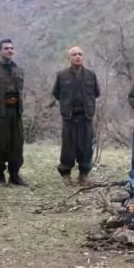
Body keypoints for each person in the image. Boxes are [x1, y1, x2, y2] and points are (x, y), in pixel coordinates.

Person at [51, 46, 100, 186]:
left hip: (86, 116)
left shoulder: (91, 75)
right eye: (74, 54)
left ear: (83, 57)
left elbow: (96, 93)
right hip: (69, 116)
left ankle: (83, 175)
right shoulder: (62, 75)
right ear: (69, 58)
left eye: (80, 54)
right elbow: (56, 93)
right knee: (68, 146)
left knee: (86, 146)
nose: (77, 57)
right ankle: (66, 174)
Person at [0, 38, 27, 186]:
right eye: (6, 48)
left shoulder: (18, 70)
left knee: (17, 145)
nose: (9, 51)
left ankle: (14, 175)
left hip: (15, 112)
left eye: (11, 48)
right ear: (0, 51)